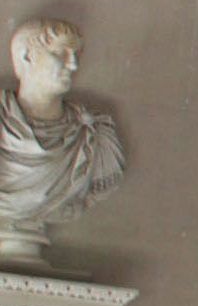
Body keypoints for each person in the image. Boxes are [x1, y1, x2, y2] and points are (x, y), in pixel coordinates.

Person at [0, 17, 126, 262]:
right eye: (60, 54)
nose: (73, 64)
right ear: (26, 57)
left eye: (76, 55)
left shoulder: (94, 134)